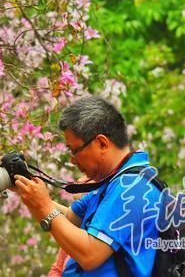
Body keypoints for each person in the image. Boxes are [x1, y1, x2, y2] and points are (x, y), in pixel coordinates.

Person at [14, 95, 161, 277]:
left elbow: (91, 254)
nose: (72, 160)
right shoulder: (113, 183)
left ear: (101, 143)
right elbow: (70, 216)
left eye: (74, 150)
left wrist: (44, 207)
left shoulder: (132, 187)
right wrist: (27, 190)